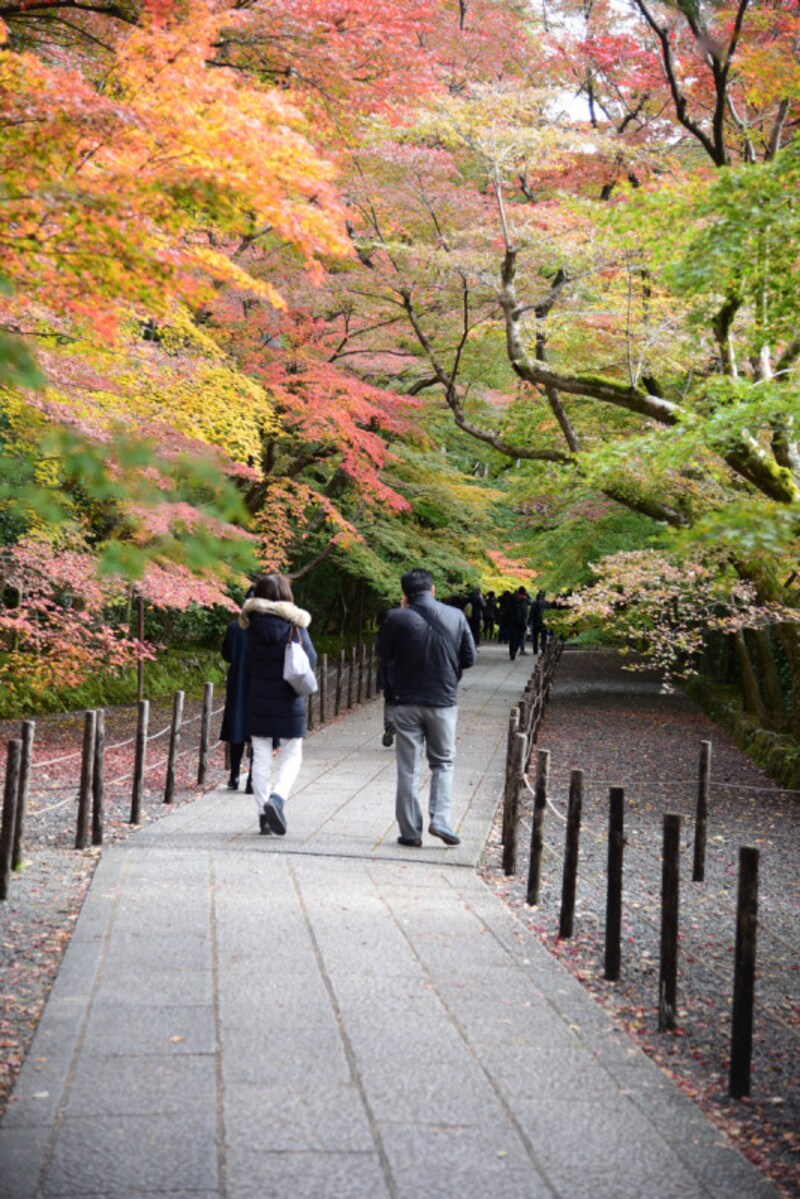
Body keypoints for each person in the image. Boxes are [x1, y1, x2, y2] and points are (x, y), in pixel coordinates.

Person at [377, 568, 476, 848]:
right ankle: (440, 820)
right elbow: (469, 657)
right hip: (443, 701)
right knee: (443, 762)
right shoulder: (456, 616)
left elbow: (383, 653)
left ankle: (410, 832)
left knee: (408, 768)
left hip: (405, 702)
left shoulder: (396, 617)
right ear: (432, 590)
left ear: (405, 595)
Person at [239, 573, 317, 836]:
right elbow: (311, 658)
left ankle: (264, 815)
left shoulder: (250, 625)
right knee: (292, 752)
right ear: (286, 595)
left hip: (258, 696)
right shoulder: (295, 625)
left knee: (260, 755)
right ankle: (278, 799)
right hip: (288, 696)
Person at [219, 591, 254, 793]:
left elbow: (226, 654)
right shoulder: (265, 630)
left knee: (237, 730)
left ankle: (234, 775)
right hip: (259, 685)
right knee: (258, 733)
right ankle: (252, 780)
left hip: (238, 683)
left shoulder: (234, 628)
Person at [508, 586, 530, 660]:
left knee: (512, 638)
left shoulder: (512, 599)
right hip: (521, 621)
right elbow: (525, 611)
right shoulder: (524, 600)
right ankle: (515, 651)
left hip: (512, 621)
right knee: (519, 638)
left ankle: (511, 651)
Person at [529, 590, 550, 654]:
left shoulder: (535, 603)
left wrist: (529, 621)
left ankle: (535, 650)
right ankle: (543, 648)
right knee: (544, 636)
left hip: (536, 622)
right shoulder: (547, 603)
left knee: (535, 637)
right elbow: (550, 613)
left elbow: (531, 613)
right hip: (544, 622)